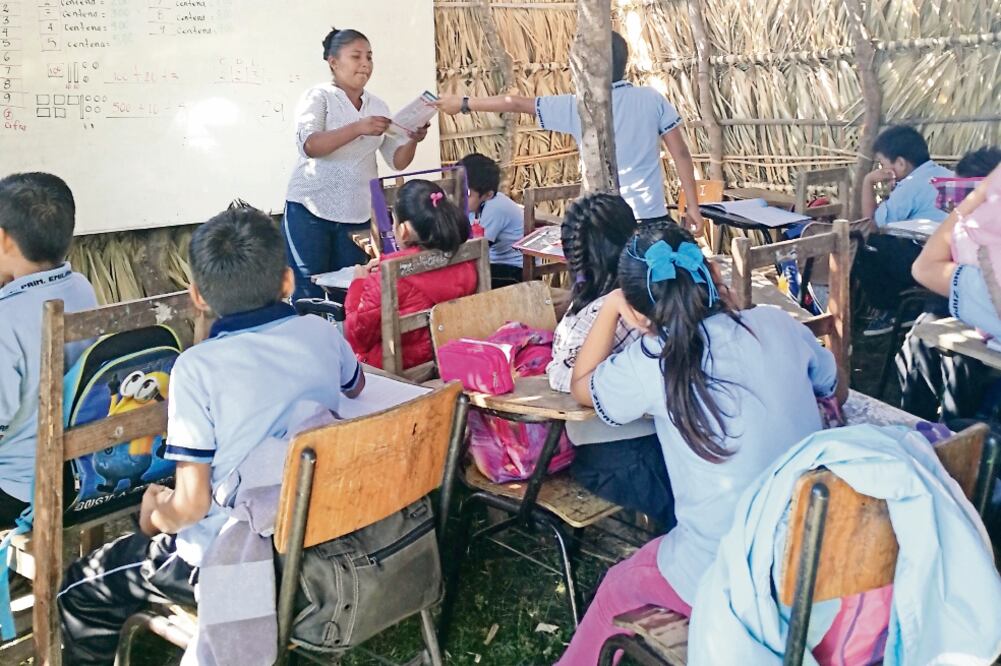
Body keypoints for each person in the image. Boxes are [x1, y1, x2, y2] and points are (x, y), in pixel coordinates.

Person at [58, 207, 366, 664]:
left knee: (79, 588)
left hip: (242, 549)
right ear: (286, 282)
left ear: (197, 296)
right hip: (321, 521)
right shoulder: (320, 332)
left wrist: (153, 517)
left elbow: (193, 506)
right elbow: (356, 385)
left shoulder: (196, 369)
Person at [556, 224, 843, 664]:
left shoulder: (651, 359)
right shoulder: (774, 323)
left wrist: (611, 306)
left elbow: (581, 384)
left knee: (617, 586)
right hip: (820, 554)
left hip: (725, 570)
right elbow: (832, 385)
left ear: (639, 310)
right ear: (709, 273)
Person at [437, 31, 705, 232]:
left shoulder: (577, 107)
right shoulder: (651, 98)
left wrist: (462, 104)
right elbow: (681, 153)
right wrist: (692, 205)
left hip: (604, 223)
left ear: (586, 68)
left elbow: (514, 102)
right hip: (651, 218)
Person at [547, 193, 674, 527]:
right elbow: (566, 379)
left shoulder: (593, 310)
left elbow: (560, 373)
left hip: (629, 443)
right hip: (622, 451)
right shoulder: (604, 311)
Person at [284, 27, 430, 301]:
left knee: (349, 293)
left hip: (356, 214)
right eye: (356, 56)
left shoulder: (378, 106)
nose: (365, 64)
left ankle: (345, 345)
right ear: (333, 61)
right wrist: (358, 128)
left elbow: (397, 161)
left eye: (370, 57)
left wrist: (413, 139)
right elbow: (310, 145)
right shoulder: (319, 97)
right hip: (309, 211)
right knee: (308, 292)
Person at [0, 173, 97, 527]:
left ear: (3, 241)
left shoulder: (5, 317)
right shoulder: (81, 288)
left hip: (18, 491)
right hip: (79, 475)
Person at [897, 148, 1001, 421]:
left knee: (939, 342)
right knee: (923, 331)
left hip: (972, 310)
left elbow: (925, 269)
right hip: (964, 306)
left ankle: (930, 426)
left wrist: (965, 212)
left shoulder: (985, 265)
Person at [344, 179, 479, 369]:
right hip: (451, 356)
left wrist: (358, 284)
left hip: (400, 369)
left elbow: (358, 337)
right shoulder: (465, 257)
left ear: (404, 230)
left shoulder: (388, 275)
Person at [857, 126, 954, 336]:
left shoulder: (910, 186)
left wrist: (868, 181)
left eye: (883, 164)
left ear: (900, 163)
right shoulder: (947, 174)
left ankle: (891, 311)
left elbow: (871, 224)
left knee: (864, 244)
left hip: (925, 262)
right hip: (953, 262)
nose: (881, 169)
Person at [459, 153, 524, 288]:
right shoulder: (474, 206)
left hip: (517, 272)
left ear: (488, 194)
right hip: (495, 264)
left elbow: (475, 250)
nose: (460, 197)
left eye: (467, 194)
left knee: (464, 280)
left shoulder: (495, 207)